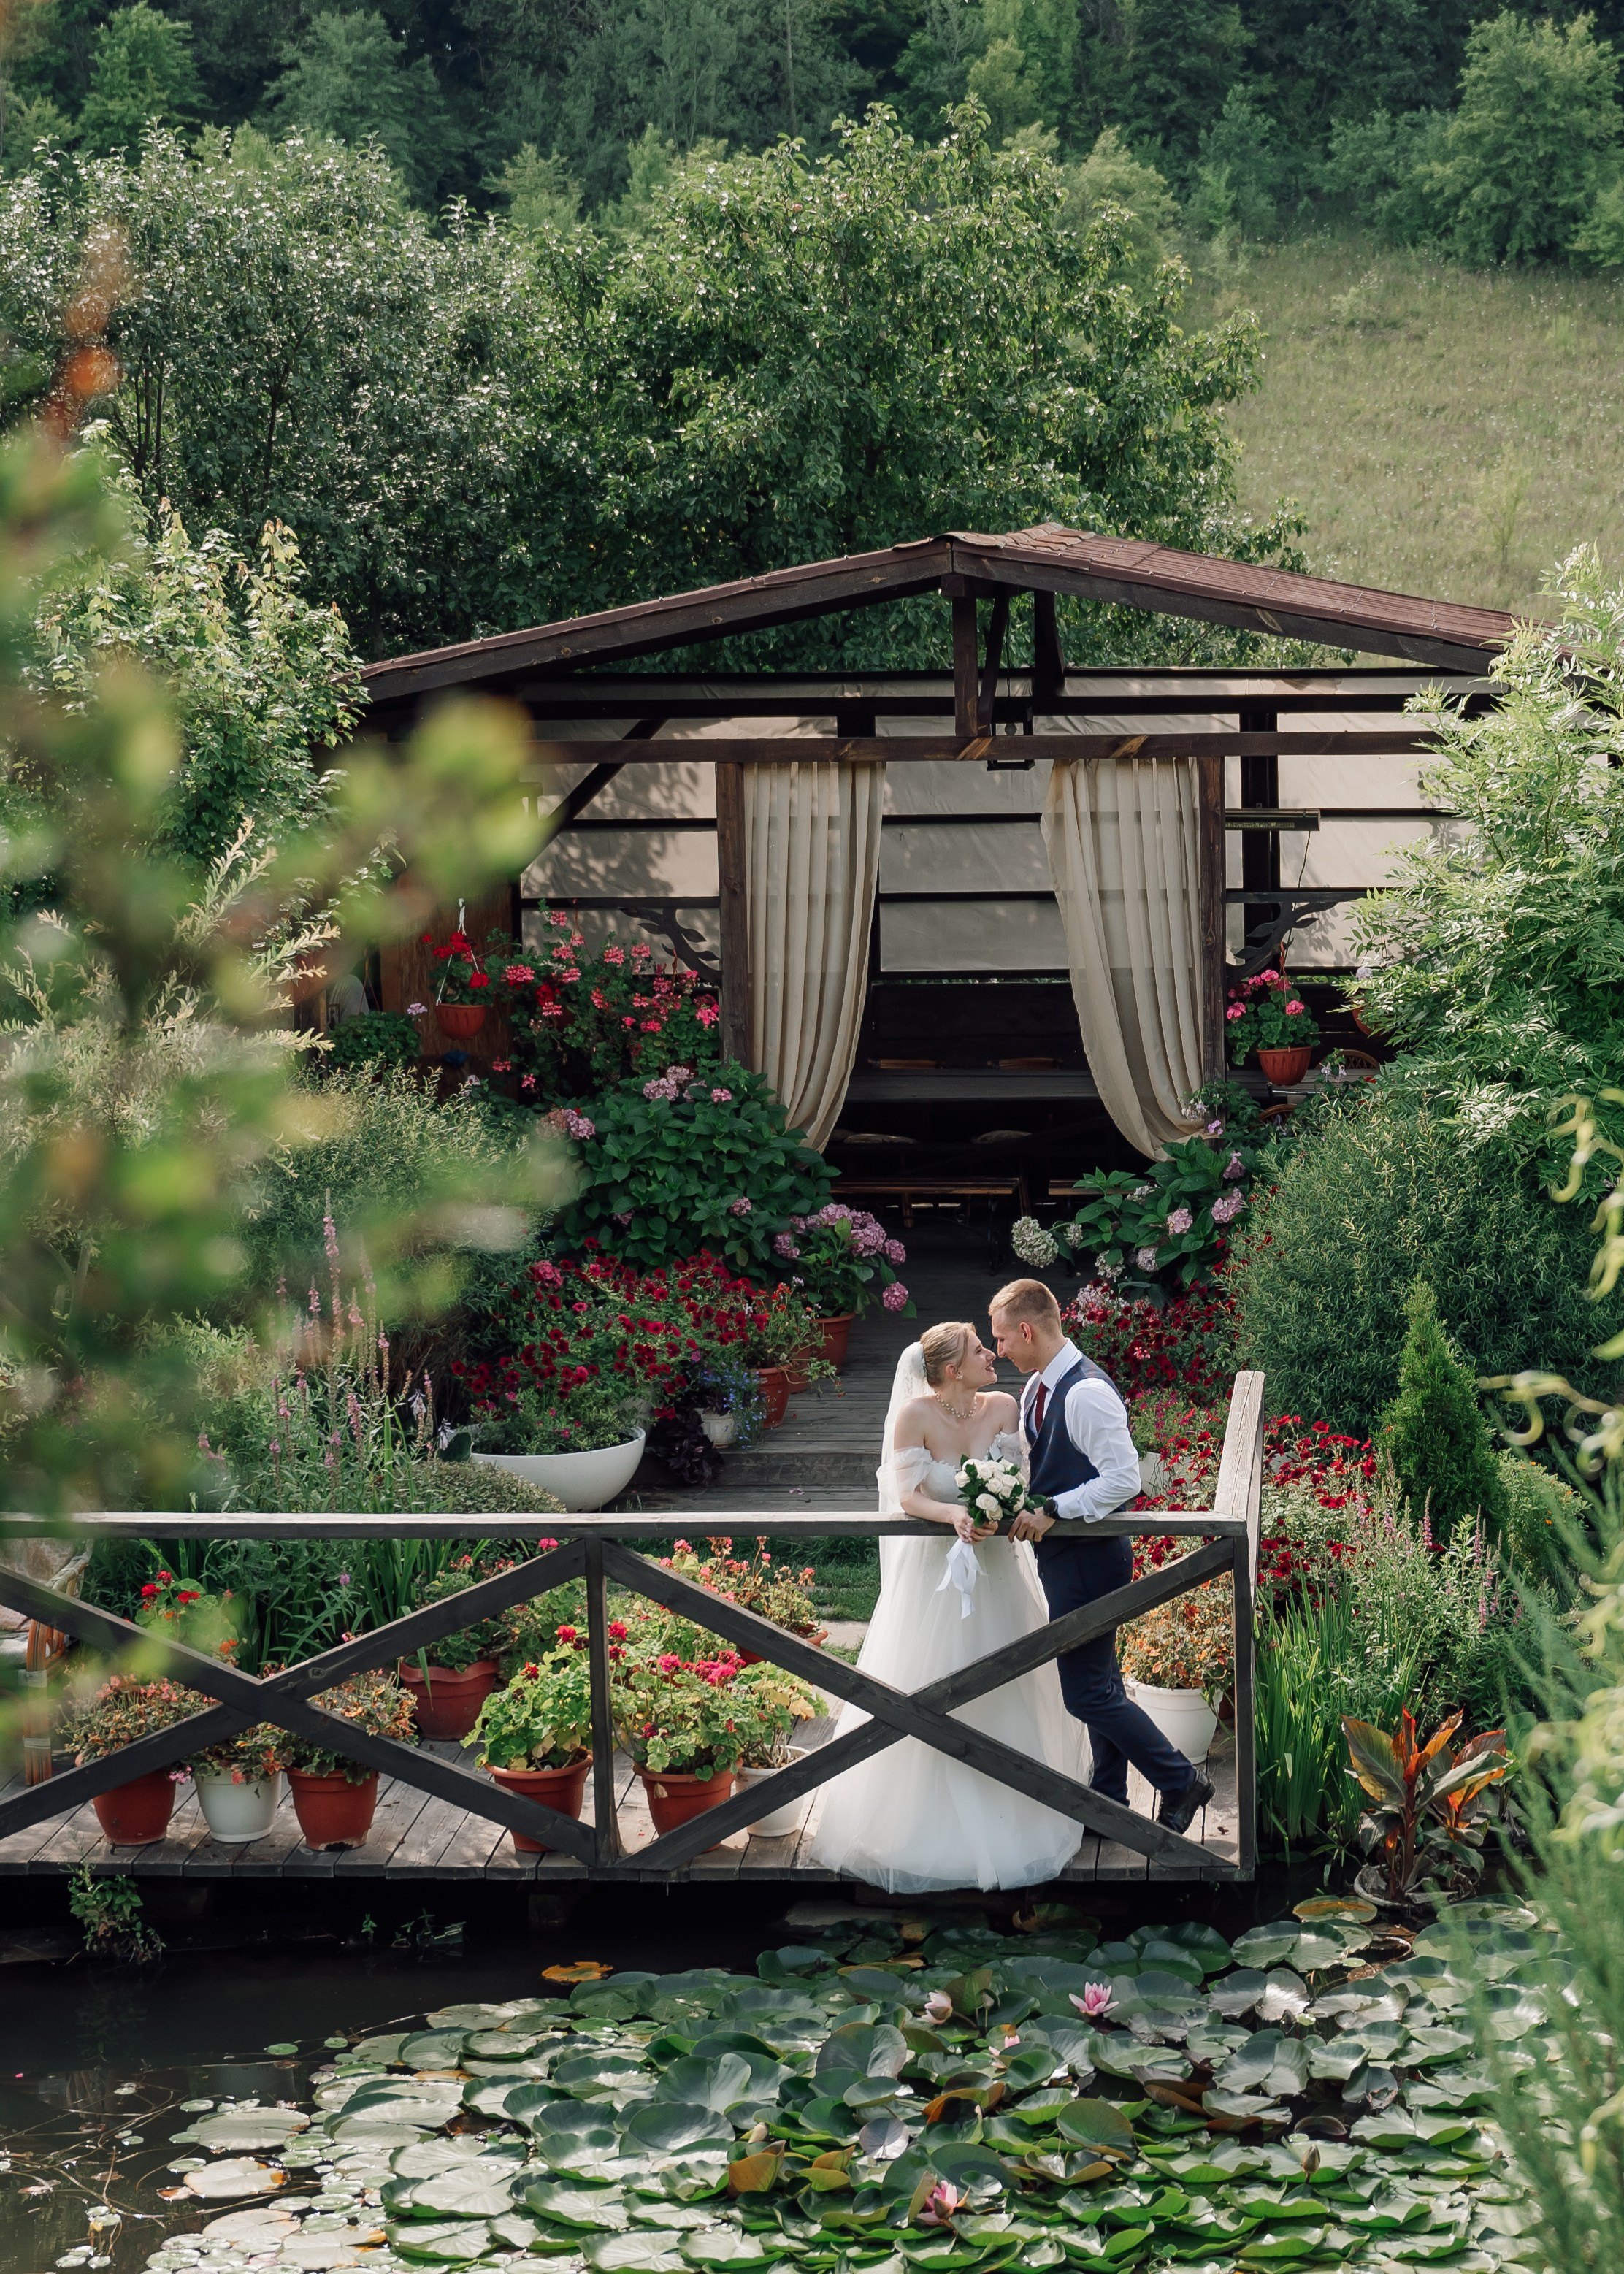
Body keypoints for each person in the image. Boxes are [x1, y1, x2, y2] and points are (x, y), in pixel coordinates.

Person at [806, 1320, 1087, 1892]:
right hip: (933, 1574)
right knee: (924, 1682)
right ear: (952, 1369)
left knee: (1006, 1681)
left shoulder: (1004, 1407)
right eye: (980, 1350)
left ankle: (1019, 1805)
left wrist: (1001, 1509)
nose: (992, 1353)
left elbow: (1025, 1478)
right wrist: (954, 1515)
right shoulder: (913, 1417)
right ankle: (917, 1823)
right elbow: (907, 1494)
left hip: (998, 1572)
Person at [989, 1276, 1214, 1836]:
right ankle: (1109, 1799)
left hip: (1092, 1559)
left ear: (1026, 1329)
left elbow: (1124, 1479)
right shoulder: (1037, 1387)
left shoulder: (1085, 1392)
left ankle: (1180, 1779)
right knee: (1101, 1683)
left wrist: (1053, 1509)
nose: (999, 1351)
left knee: (1086, 1693)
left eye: (1001, 1339)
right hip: (1065, 1557)